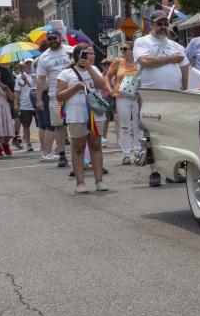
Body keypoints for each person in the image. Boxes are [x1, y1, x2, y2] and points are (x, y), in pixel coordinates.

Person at [134, 10, 190, 186]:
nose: (163, 27)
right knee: (151, 133)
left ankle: (171, 171)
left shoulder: (176, 45)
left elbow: (185, 68)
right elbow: (144, 61)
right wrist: (170, 59)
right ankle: (155, 171)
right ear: (152, 25)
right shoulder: (142, 41)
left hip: (173, 95)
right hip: (150, 94)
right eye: (159, 23)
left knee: (171, 134)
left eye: (165, 24)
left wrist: (185, 90)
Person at [57, 43, 108, 193]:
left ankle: (99, 181)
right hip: (76, 115)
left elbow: (101, 85)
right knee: (78, 148)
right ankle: (80, 183)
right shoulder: (66, 73)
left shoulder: (95, 69)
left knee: (96, 146)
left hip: (95, 114)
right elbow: (59, 95)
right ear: (78, 55)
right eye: (87, 53)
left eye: (92, 53)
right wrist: (76, 87)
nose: (91, 56)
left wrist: (90, 68)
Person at [35, 29, 71, 167]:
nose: (52, 41)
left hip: (73, 94)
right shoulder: (44, 57)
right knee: (59, 126)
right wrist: (38, 98)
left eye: (54, 38)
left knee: (79, 124)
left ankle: (84, 155)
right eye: (49, 39)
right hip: (55, 96)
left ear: (60, 37)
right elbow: (40, 79)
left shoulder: (70, 51)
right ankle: (62, 155)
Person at [110, 42, 142, 165]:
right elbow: (107, 76)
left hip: (136, 96)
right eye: (121, 49)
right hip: (121, 96)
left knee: (138, 125)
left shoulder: (139, 63)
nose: (123, 51)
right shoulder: (118, 62)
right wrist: (109, 89)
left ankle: (139, 152)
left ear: (132, 50)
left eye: (125, 49)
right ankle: (126, 154)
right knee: (124, 126)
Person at [13, 59, 36, 152]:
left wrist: (26, 80)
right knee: (26, 126)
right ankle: (28, 144)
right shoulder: (19, 77)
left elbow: (35, 88)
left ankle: (44, 145)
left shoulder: (38, 76)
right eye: (27, 64)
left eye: (31, 64)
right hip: (25, 105)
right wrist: (15, 103)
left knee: (43, 126)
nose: (29, 65)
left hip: (36, 103)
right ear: (24, 66)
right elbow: (17, 91)